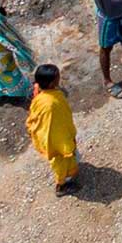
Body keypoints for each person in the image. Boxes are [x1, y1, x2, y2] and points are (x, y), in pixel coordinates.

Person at [25, 64, 80, 193]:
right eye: (57, 78)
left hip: (57, 136)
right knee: (62, 163)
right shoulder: (51, 104)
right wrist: (65, 143)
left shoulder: (40, 93)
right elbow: (53, 128)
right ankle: (61, 186)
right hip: (58, 141)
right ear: (50, 84)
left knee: (64, 160)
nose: (59, 80)